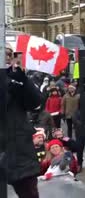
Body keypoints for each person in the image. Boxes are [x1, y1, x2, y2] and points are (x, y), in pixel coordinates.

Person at [4, 43, 43, 198]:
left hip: (19, 151)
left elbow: (35, 102)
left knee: (29, 193)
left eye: (9, 54)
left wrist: (23, 81)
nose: (6, 58)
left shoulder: (16, 78)